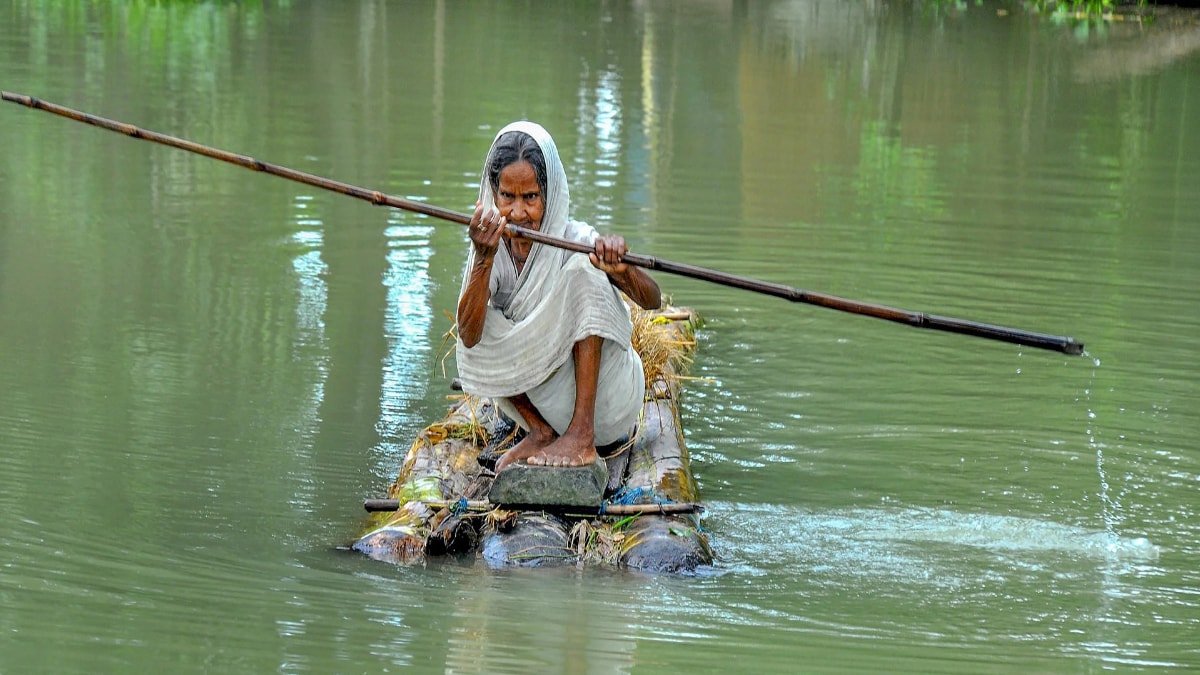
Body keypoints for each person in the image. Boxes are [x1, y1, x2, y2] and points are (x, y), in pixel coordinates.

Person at [456, 121, 661, 473]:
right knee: (472, 327)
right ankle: (540, 431)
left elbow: (652, 300)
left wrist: (620, 268)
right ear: (492, 194)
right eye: (507, 197)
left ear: (548, 197)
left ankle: (581, 437)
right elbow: (471, 336)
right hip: (541, 403)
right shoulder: (489, 245)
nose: (518, 213)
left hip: (606, 407)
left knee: (585, 270)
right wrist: (483, 260)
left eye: (530, 198)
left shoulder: (575, 237)